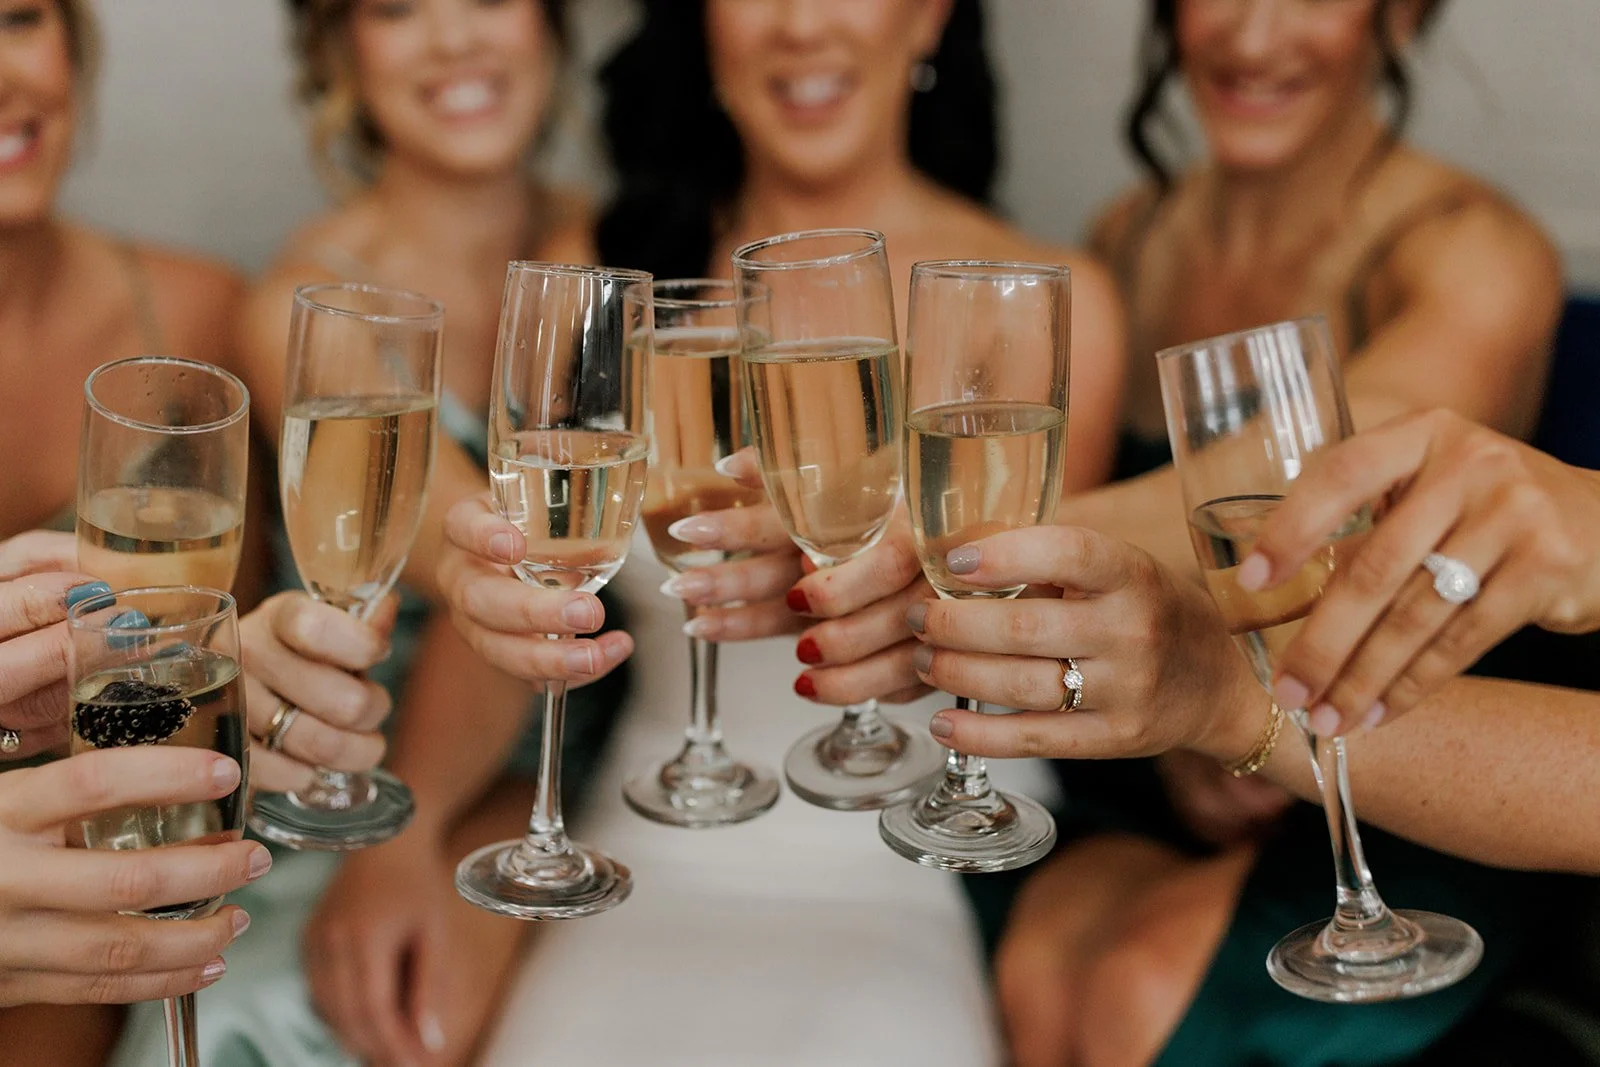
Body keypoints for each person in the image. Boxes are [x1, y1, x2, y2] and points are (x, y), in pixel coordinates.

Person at [659, 1, 1567, 1064]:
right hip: (1180, 758)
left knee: (1135, 991)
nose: (1253, 35)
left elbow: (1303, 478)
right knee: (1029, 973)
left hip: (1412, 766)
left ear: (1399, 16)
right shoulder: (1129, 241)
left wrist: (939, 545)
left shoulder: (1475, 250)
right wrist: (1186, 711)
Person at [222, 2, 627, 1065]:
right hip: (359, 780)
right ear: (338, 50)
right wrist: (396, 843)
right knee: (311, 1014)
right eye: (399, 7)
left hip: (555, 767)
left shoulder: (618, 252)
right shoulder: (308, 307)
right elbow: (476, 555)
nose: (455, 42)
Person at [0, 5, 395, 1064]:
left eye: (17, 17)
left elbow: (214, 665)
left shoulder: (202, 317)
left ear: (74, 46)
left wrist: (270, 681)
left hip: (125, 870)